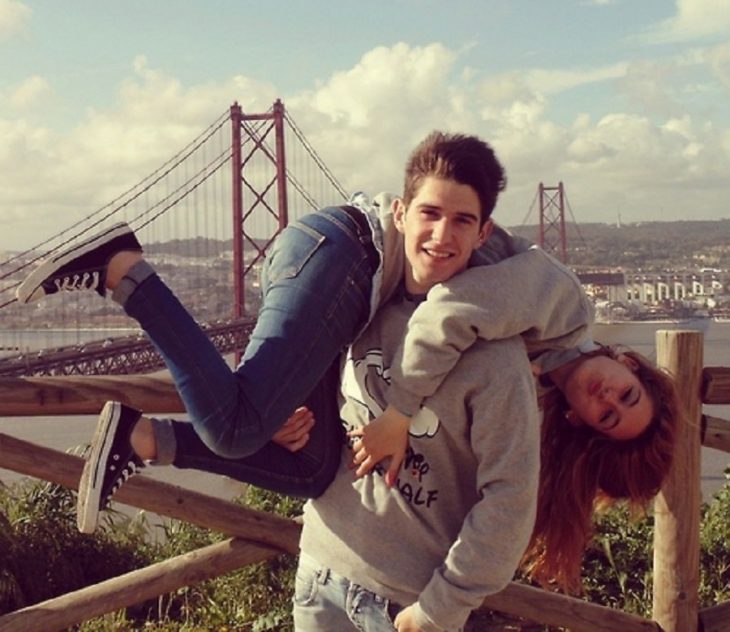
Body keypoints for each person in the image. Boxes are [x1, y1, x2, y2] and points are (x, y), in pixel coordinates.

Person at [16, 131, 591, 536]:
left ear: (484, 227)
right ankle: (125, 271)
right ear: (400, 211)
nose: (443, 235)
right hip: (338, 255)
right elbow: (474, 313)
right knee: (238, 426)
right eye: (429, 215)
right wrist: (397, 414)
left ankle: (141, 438)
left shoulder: (506, 291)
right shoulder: (545, 289)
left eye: (462, 221)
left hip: (341, 296)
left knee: (311, 467)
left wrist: (287, 397)